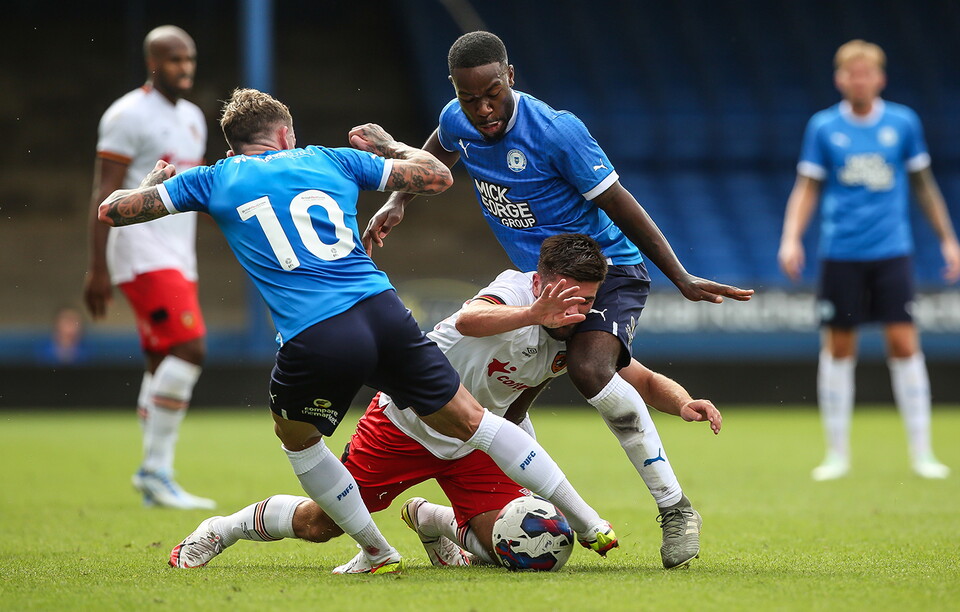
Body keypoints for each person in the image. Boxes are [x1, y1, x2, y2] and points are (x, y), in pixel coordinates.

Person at [98, 89, 617, 575]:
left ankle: (374, 548)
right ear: (285, 135)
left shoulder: (210, 178)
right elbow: (437, 176)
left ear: (237, 142)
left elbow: (113, 212)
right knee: (473, 419)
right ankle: (588, 520)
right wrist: (391, 144)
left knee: (297, 440)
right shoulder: (332, 158)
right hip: (382, 310)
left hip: (316, 333)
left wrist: (150, 185)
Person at [362, 31, 752, 568]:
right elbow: (438, 151)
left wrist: (680, 277)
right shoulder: (457, 117)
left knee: (592, 370)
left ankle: (675, 507)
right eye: (469, 97)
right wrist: (400, 200)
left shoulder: (557, 132)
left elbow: (621, 204)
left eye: (493, 93)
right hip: (538, 277)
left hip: (605, 269)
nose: (483, 109)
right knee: (512, 402)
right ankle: (477, 513)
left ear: (511, 78)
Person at [165, 234, 722, 571]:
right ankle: (226, 528)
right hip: (405, 425)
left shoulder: (580, 329)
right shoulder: (513, 291)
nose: (578, 311)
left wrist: (685, 401)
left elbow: (639, 378)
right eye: (568, 297)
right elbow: (468, 319)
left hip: (484, 442)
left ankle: (430, 521)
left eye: (589, 301)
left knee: (522, 552)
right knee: (320, 525)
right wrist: (534, 314)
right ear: (540, 280)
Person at [778, 39, 960, 481]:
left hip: (892, 251)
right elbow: (808, 187)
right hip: (841, 252)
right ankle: (836, 454)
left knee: (904, 343)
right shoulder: (823, 127)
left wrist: (948, 240)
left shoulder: (902, 122)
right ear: (840, 78)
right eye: (851, 73)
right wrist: (791, 237)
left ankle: (922, 453)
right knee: (840, 347)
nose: (859, 80)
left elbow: (923, 185)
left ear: (880, 78)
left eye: (867, 72)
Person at [83, 25, 213, 509]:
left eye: (190, 59)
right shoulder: (126, 115)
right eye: (175, 60)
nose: (185, 68)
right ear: (153, 63)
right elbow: (103, 193)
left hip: (179, 254)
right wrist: (96, 267)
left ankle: (156, 478)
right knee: (191, 349)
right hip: (139, 251)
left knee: (162, 361)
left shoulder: (196, 118)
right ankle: (155, 470)